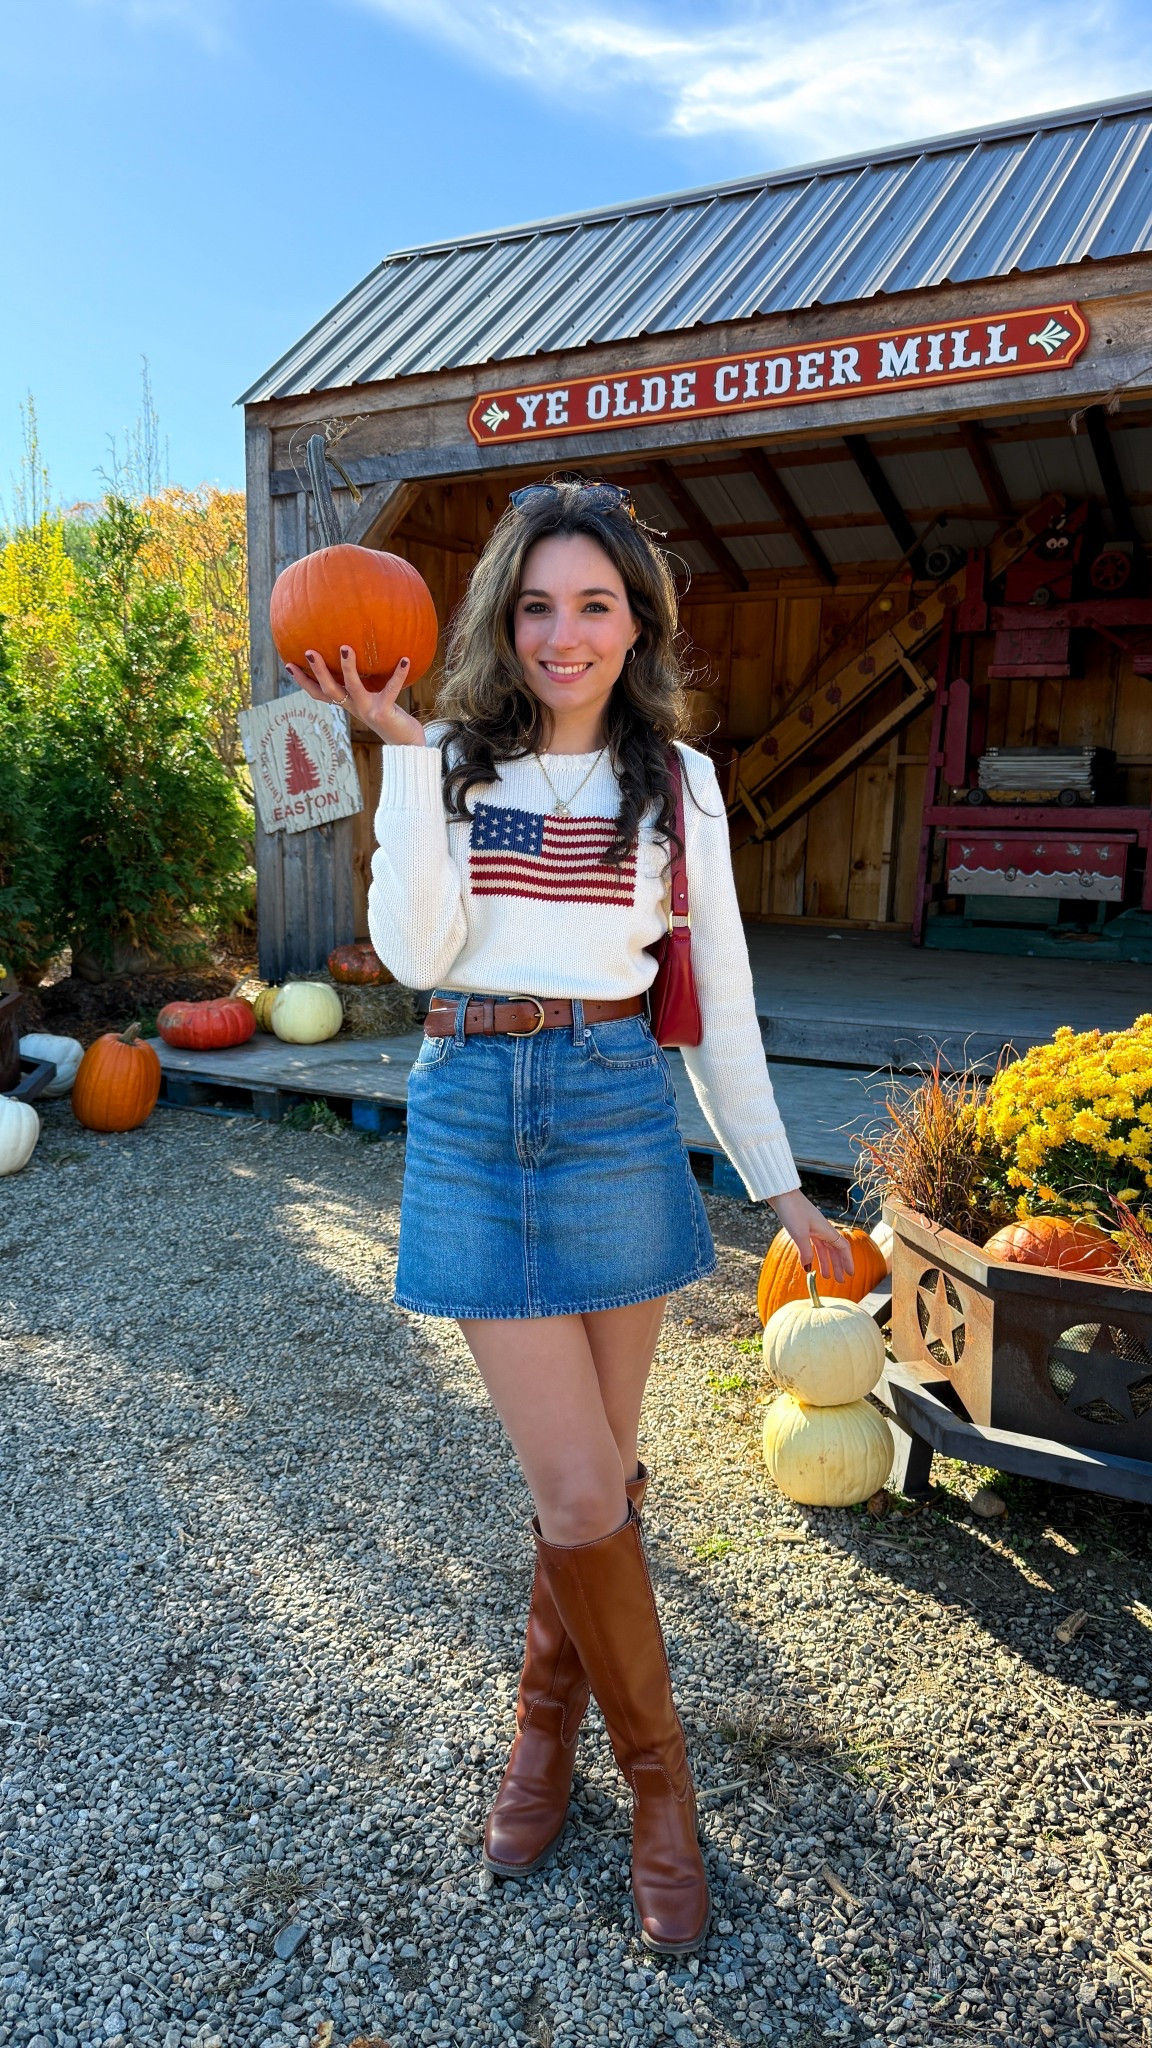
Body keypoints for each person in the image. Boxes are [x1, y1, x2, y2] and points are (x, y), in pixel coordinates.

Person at [286, 476, 853, 1957]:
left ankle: (544, 1733)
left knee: (594, 1482)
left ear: (636, 621)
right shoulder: (455, 767)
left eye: (593, 603)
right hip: (474, 1111)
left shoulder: (681, 787)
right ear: (501, 619)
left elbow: (719, 1000)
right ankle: (662, 1794)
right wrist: (407, 763)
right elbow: (417, 953)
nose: (563, 633)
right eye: (536, 605)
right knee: (582, 1493)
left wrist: (779, 1177)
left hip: (613, 1109)